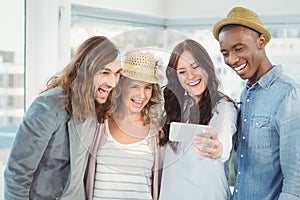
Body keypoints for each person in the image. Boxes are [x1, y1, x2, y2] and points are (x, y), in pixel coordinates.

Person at [4, 36, 122, 200]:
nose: (112, 82)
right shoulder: (48, 106)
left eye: (117, 73)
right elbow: (17, 174)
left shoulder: (99, 104)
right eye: (104, 72)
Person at [213, 6, 300, 200]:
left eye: (239, 48)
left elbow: (296, 181)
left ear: (261, 41)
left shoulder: (289, 94)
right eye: (225, 53)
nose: (232, 59)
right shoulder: (247, 93)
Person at [159, 39, 238, 200]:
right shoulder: (178, 108)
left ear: (207, 66)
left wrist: (218, 148)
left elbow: (223, 141)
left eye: (195, 67)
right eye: (182, 72)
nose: (190, 76)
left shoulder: (223, 107)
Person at [84, 50, 164, 200]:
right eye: (135, 86)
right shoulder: (99, 125)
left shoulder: (156, 134)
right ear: (120, 86)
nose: (142, 95)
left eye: (147, 87)